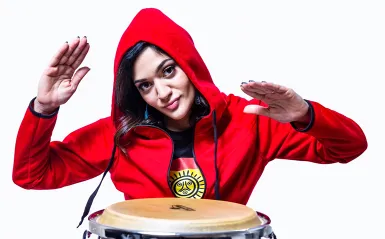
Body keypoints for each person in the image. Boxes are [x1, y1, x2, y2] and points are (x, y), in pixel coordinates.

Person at [13, 8, 367, 227]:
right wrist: (44, 109)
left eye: (169, 71)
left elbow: (349, 147)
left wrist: (305, 115)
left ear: (190, 65)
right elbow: (31, 175)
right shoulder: (119, 134)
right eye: (145, 85)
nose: (162, 92)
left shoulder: (250, 121)